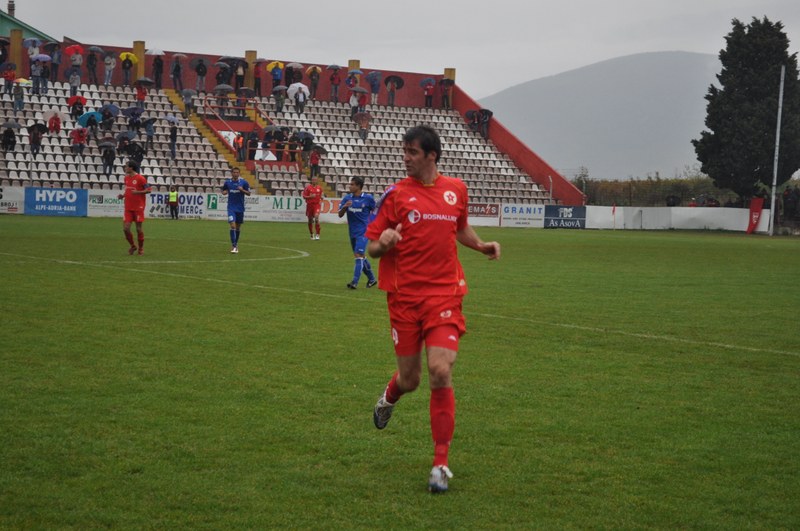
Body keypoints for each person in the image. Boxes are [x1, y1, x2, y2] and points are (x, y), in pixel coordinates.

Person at [365, 125, 501, 493]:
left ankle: (440, 464)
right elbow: (371, 248)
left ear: (431, 156)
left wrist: (482, 245)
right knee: (411, 380)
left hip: (444, 295)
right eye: (404, 150)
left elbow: (459, 228)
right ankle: (388, 398)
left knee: (441, 369)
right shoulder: (395, 195)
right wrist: (385, 243)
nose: (405, 157)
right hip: (404, 299)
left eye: (411, 151)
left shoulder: (456, 190)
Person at [338, 176, 378, 289]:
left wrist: (373, 225)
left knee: (358, 255)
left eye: (352, 184)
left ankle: (354, 282)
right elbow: (340, 214)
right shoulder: (347, 198)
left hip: (364, 232)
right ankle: (372, 279)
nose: (349, 186)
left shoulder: (368, 198)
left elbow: (376, 211)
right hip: (352, 232)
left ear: (358, 186)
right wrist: (345, 207)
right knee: (361, 256)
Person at [117, 160, 151, 256]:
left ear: (131, 168)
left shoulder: (141, 178)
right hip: (128, 207)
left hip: (138, 207)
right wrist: (122, 196)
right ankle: (133, 246)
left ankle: (141, 248)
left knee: (138, 229)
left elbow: (149, 190)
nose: (125, 168)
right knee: (126, 229)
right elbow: (128, 190)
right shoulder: (126, 178)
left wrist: (138, 192)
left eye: (126, 166)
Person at [221, 167, 251, 253]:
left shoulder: (244, 182)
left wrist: (242, 190)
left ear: (239, 173)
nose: (236, 174)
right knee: (233, 225)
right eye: (234, 172)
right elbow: (224, 190)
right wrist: (224, 192)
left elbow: (249, 193)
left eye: (237, 172)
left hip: (240, 208)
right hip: (231, 208)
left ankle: (235, 243)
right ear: (231, 173)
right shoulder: (227, 182)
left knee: (238, 227)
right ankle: (234, 246)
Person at [302, 175, 323, 240]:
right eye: (313, 180)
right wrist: (310, 197)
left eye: (315, 180)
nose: (314, 181)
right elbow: (304, 196)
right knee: (310, 220)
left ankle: (317, 234)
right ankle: (311, 234)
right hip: (309, 205)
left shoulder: (319, 188)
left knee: (316, 217)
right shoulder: (307, 188)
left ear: (317, 181)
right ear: (311, 181)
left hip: (316, 205)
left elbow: (321, 195)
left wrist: (321, 199)